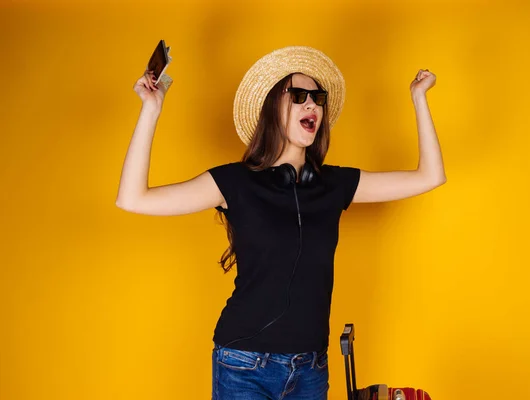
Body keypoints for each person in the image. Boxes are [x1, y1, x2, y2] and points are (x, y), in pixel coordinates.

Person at [116, 46, 445, 400]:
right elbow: (133, 198)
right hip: (244, 365)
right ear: (273, 108)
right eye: (298, 96)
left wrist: (419, 99)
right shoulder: (235, 183)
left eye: (317, 98)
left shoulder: (334, 185)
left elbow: (430, 176)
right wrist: (151, 110)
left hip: (311, 370)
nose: (312, 105)